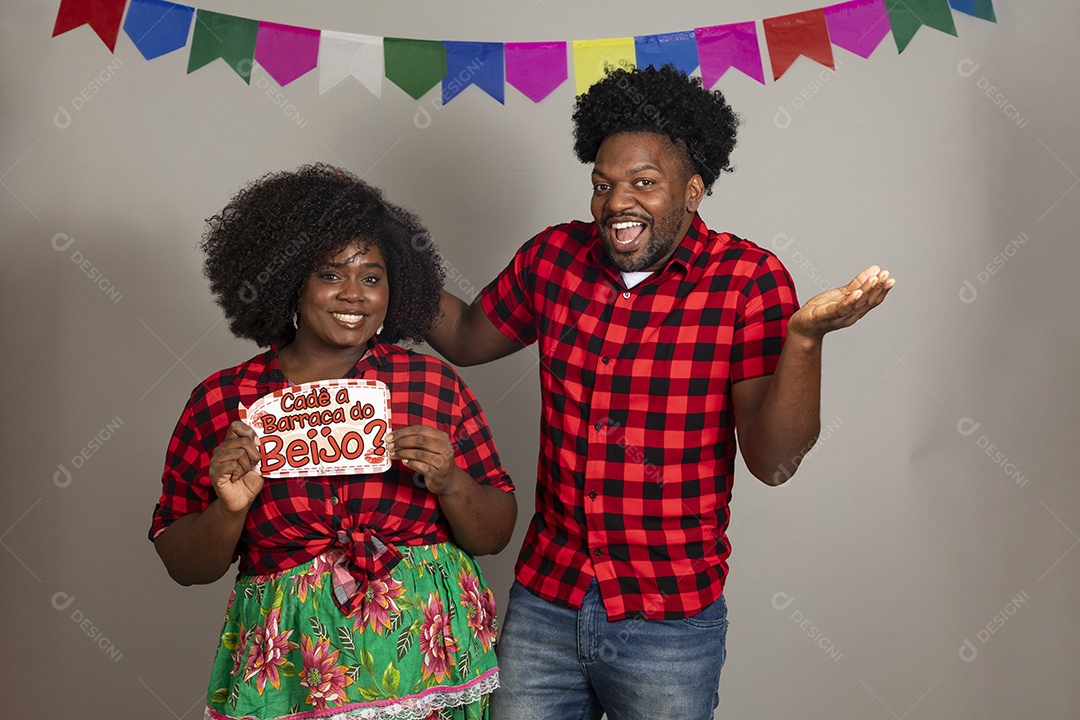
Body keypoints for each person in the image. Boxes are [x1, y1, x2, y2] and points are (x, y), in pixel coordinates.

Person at [424, 65, 895, 719]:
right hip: (546, 600)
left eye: (644, 183)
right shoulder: (553, 260)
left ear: (693, 189)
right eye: (603, 184)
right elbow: (468, 337)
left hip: (668, 617)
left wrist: (805, 342)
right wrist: (385, 255)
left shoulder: (748, 281)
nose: (618, 202)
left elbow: (773, 460)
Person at [150, 164, 517, 720]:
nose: (355, 295)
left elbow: (495, 534)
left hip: (429, 657)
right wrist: (228, 512)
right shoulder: (226, 399)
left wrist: (450, 482)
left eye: (372, 277)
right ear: (289, 282)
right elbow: (185, 565)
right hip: (295, 668)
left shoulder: (432, 385)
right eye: (331, 275)